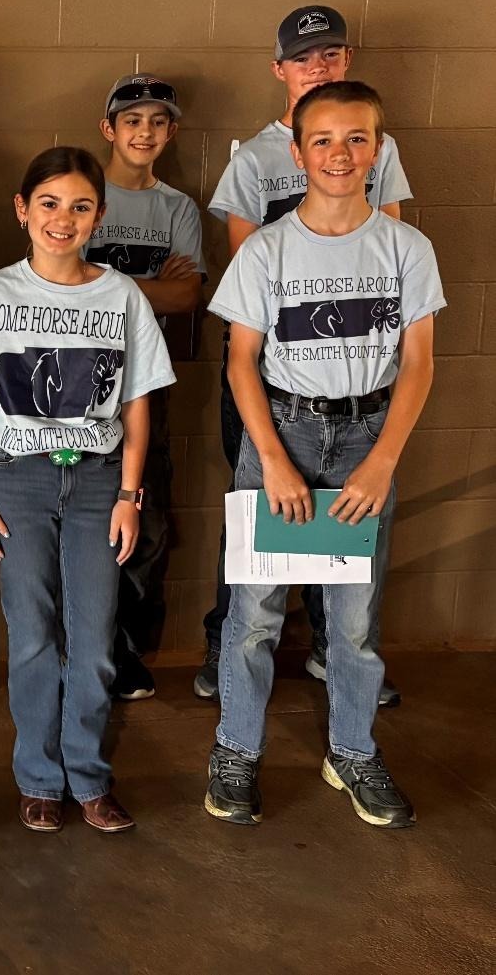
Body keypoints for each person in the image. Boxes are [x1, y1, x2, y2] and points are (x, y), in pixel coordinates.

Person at [203, 82, 441, 830]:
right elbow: (242, 360)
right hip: (285, 435)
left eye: (358, 139)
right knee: (254, 617)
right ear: (299, 151)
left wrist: (381, 462)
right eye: (325, 140)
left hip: (367, 439)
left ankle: (353, 750)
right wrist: (270, 457)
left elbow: (420, 361)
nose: (341, 154)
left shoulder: (406, 247)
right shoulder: (267, 248)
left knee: (356, 620)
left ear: (379, 149)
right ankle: (236, 751)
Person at [0, 147, 175, 834]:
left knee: (96, 637)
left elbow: (137, 406)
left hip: (98, 480)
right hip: (18, 478)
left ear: (99, 215)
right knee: (32, 635)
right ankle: (40, 777)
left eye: (80, 206)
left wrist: (129, 495)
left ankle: (89, 776)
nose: (63, 219)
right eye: (48, 203)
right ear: (23, 210)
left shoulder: (121, 295)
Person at [197, 5, 412, 705]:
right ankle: (225, 648)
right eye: (305, 57)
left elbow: (390, 253)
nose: (320, 66)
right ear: (280, 70)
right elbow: (244, 271)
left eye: (331, 54)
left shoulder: (380, 149)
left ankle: (333, 649)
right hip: (272, 375)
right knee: (259, 512)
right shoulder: (256, 158)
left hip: (352, 373)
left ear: (346, 60)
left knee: (342, 518)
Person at [83, 75, 204, 701]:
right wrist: (146, 286)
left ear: (171, 132)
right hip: (74, 382)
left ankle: (125, 651)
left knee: (145, 521)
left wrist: (99, 281)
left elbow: (186, 296)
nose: (145, 132)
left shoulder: (177, 208)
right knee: (80, 515)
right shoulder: (82, 194)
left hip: (144, 382)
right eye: (132, 120)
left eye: (158, 122)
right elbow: (59, 278)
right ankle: (83, 649)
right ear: (109, 129)